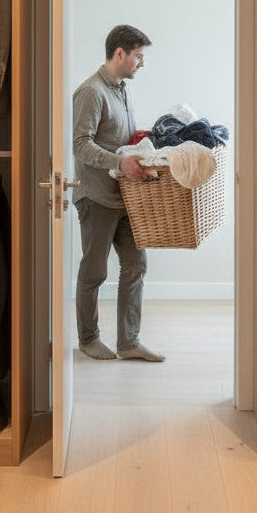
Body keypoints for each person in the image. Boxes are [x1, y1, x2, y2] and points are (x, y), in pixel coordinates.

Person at [72, 24, 164, 362]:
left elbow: (114, 138)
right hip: (96, 197)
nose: (142, 63)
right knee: (95, 270)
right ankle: (88, 338)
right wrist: (118, 162)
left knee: (136, 264)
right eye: (139, 57)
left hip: (125, 196)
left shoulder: (121, 89)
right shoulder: (91, 91)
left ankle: (129, 342)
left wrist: (139, 140)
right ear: (120, 53)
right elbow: (80, 145)